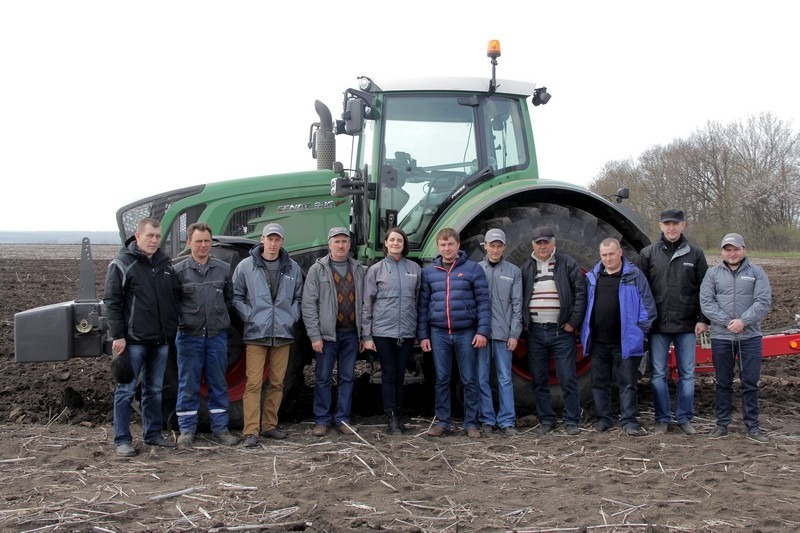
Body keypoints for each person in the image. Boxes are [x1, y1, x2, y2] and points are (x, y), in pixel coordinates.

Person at [104, 217, 180, 457]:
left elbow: (173, 298)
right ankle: (122, 440)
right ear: (137, 236)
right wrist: (118, 336)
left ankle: (153, 434)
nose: (154, 240)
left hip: (160, 340)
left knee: (154, 390)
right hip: (133, 341)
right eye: (150, 236)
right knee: (126, 390)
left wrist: (170, 330)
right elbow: (112, 302)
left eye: (157, 236)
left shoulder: (165, 264)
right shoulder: (122, 264)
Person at [232, 223, 304, 448]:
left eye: (277, 239)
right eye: (269, 239)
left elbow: (299, 298)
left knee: (277, 383)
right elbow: (236, 296)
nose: (273, 243)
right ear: (262, 240)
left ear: (282, 241)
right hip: (256, 333)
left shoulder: (292, 268)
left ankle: (269, 425)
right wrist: (250, 316)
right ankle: (251, 431)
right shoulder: (246, 266)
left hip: (282, 333)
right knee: (253, 383)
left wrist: (290, 317)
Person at [638, 208, 709, 435]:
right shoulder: (648, 254)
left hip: (686, 324)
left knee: (687, 374)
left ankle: (684, 418)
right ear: (660, 226)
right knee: (658, 374)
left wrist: (703, 319)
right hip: (658, 325)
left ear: (683, 225)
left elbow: (705, 289)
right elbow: (641, 291)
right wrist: (644, 321)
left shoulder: (695, 254)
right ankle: (662, 418)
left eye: (675, 224)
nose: (671, 228)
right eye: (667, 224)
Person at [418, 227, 491, 438]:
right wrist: (423, 335)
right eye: (443, 245)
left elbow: (483, 303)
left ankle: (471, 423)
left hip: (466, 332)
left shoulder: (473, 269)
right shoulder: (429, 273)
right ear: (438, 247)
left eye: (450, 244)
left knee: (469, 379)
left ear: (458, 245)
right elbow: (423, 306)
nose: (447, 248)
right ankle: (443, 422)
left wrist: (482, 331)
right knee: (441, 378)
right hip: (439, 332)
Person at [581, 238, 656, 436]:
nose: (608, 259)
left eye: (611, 254)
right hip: (599, 342)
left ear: (620, 252)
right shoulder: (592, 277)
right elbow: (586, 305)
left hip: (625, 342)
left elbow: (648, 307)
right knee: (599, 383)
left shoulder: (634, 275)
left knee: (628, 384)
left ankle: (629, 421)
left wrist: (639, 331)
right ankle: (604, 419)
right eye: (604, 255)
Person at [700, 233, 771, 443]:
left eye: (736, 249)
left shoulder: (757, 273)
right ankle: (722, 424)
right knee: (723, 382)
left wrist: (743, 321)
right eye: (728, 250)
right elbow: (706, 302)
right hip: (722, 337)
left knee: (750, 382)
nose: (732, 254)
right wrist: (728, 322)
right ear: (722, 252)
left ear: (743, 250)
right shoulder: (712, 274)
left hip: (750, 336)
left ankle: (753, 426)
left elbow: (763, 301)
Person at [174, 223, 239, 448]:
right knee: (188, 383)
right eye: (198, 241)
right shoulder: (179, 272)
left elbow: (229, 299)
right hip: (189, 336)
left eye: (207, 241)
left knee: (218, 383)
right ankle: (186, 431)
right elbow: (173, 303)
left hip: (216, 336)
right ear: (189, 243)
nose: (203, 245)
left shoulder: (223, 269)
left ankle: (220, 429)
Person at [520, 226, 586, 437]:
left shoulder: (567, 263)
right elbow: (518, 297)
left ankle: (572, 420)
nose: (543, 246)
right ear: (533, 245)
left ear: (553, 243)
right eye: (539, 243)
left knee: (567, 377)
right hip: (536, 332)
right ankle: (546, 420)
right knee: (539, 379)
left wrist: (573, 323)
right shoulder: (526, 268)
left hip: (561, 332)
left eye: (546, 242)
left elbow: (580, 294)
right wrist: (524, 322)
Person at [302, 227, 366, 437]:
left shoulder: (359, 269)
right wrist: (315, 336)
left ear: (349, 245)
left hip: (351, 334)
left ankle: (343, 419)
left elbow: (365, 303)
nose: (341, 245)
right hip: (327, 335)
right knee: (323, 377)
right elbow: (308, 305)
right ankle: (321, 420)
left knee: (347, 378)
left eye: (344, 241)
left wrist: (363, 334)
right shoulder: (317, 270)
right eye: (337, 241)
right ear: (329, 244)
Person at [362, 227, 421, 435]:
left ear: (404, 245)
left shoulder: (414, 269)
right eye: (392, 240)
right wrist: (367, 335)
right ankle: (391, 417)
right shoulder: (375, 270)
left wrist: (417, 331)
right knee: (388, 373)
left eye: (400, 240)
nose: (396, 243)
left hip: (406, 331)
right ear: (386, 244)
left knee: (400, 374)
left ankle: (399, 413)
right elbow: (367, 303)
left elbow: (418, 301)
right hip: (383, 332)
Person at [476, 228, 523, 437]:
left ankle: (507, 421)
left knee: (505, 378)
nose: (495, 250)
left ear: (504, 247)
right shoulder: (476, 270)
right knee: (482, 377)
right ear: (485, 246)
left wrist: (514, 334)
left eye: (499, 246)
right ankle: (487, 420)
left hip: (504, 334)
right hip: (481, 334)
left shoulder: (513, 272)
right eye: (492, 246)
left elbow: (517, 305)